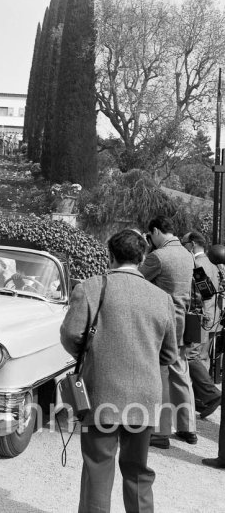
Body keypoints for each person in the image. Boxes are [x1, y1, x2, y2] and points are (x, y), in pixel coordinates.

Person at [60, 229, 177, 513]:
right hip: (145, 395)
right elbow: (170, 353)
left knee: (98, 467)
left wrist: (91, 354)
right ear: (142, 257)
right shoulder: (162, 298)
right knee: (138, 470)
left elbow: (70, 334)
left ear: (109, 256)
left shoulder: (90, 287)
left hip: (101, 391)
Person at [139, 215, 197, 449]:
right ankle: (187, 427)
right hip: (183, 321)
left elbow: (136, 278)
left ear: (155, 231)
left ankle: (160, 432)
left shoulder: (158, 256)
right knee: (181, 373)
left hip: (163, 324)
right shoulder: (187, 254)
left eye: (150, 235)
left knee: (160, 375)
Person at [181, 231, 221, 419]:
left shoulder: (198, 264)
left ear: (194, 243)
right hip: (212, 317)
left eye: (185, 242)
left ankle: (209, 395)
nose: (183, 246)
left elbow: (204, 292)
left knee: (191, 356)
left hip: (200, 317)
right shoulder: (213, 263)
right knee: (200, 356)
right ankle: (202, 399)